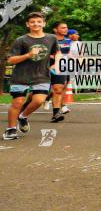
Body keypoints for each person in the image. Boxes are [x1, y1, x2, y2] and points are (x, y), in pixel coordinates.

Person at [4, 12, 61, 140]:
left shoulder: (51, 38)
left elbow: (57, 52)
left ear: (44, 24)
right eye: (33, 22)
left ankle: (23, 116)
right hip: (21, 76)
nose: (36, 24)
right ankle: (11, 129)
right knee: (17, 103)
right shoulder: (21, 40)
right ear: (27, 24)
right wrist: (28, 55)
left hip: (41, 75)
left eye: (39, 21)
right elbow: (11, 60)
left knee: (39, 100)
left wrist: (56, 64)